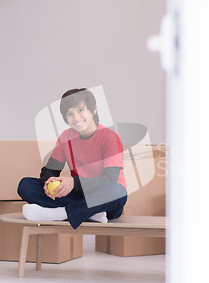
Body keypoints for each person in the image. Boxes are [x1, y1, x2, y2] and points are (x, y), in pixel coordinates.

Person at [17, 88, 127, 229]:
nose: (76, 118)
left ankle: (59, 214)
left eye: (80, 110)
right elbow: (49, 170)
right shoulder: (65, 137)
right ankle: (90, 213)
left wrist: (73, 183)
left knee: (118, 190)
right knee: (26, 185)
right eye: (70, 114)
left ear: (93, 110)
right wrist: (48, 181)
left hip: (106, 200)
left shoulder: (109, 137)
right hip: (79, 196)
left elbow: (109, 179)